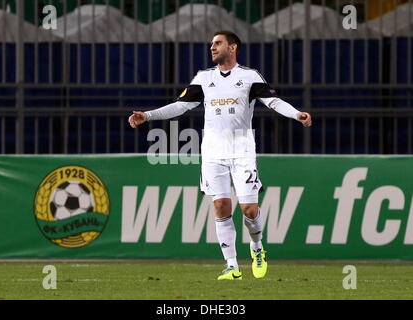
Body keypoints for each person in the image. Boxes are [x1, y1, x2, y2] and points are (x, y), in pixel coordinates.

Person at [129, 30, 312, 280]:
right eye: (211, 44)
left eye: (218, 43)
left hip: (242, 151)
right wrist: (148, 115)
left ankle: (257, 247)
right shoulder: (204, 78)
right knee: (221, 206)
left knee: (248, 209)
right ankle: (232, 265)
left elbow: (274, 102)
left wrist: (297, 114)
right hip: (213, 152)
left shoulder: (249, 76)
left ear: (233, 47)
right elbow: (180, 105)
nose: (212, 48)